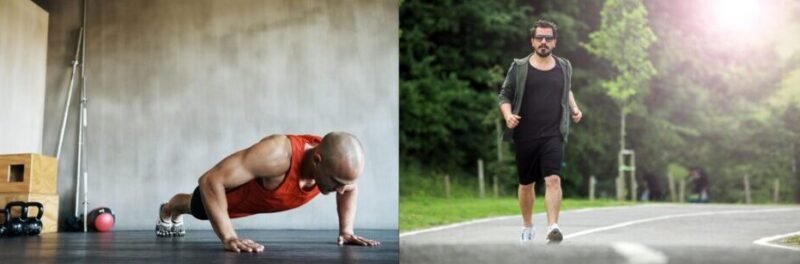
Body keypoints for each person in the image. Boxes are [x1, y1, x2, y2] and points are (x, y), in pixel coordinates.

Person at [154, 132, 380, 252]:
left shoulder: (334, 166)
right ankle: (167, 210)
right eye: (337, 182)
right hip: (222, 199)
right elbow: (210, 180)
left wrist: (347, 231)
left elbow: (350, 188)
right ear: (317, 161)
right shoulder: (278, 154)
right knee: (194, 206)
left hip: (250, 204)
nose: (341, 188)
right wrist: (229, 237)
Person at [497, 20, 582, 243]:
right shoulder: (519, 67)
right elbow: (504, 95)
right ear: (532, 41)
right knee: (526, 184)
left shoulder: (564, 66)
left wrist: (574, 108)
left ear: (555, 42)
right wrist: (508, 116)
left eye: (548, 38)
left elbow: (567, 90)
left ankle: (553, 226)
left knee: (553, 179)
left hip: (553, 133)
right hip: (525, 134)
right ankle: (527, 227)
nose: (544, 42)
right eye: (539, 38)